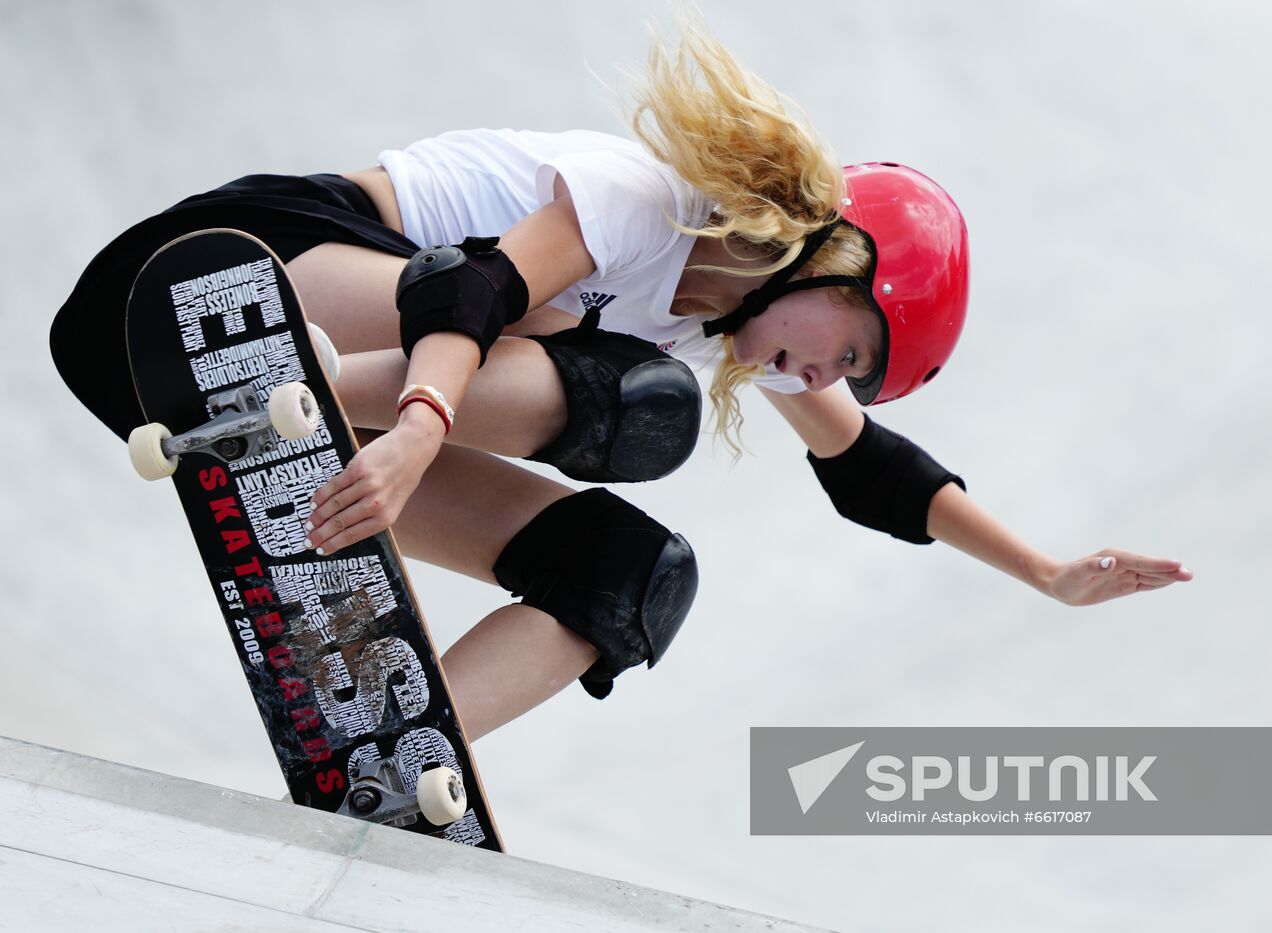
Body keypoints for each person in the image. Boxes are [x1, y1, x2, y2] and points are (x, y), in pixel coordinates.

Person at [50, 13, 1191, 740]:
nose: (820, 376)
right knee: (642, 410)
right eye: (843, 349)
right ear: (833, 260)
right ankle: (285, 393)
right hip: (227, 274)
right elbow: (475, 292)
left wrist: (1044, 574)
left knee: (631, 572)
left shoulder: (745, 332)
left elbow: (875, 475)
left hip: (311, 388)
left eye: (848, 375)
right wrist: (414, 424)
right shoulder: (651, 203)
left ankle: (400, 745)